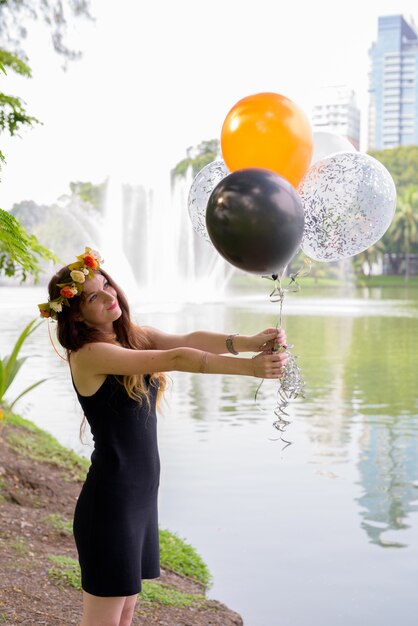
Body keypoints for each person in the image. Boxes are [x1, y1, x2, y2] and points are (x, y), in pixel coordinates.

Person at [38, 247, 288, 626]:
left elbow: (190, 338)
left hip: (138, 500)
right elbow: (177, 358)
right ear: (75, 314)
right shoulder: (89, 354)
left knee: (124, 613)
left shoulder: (135, 338)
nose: (109, 296)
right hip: (110, 505)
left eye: (107, 285)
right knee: (104, 619)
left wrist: (250, 341)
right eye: (93, 296)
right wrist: (251, 370)